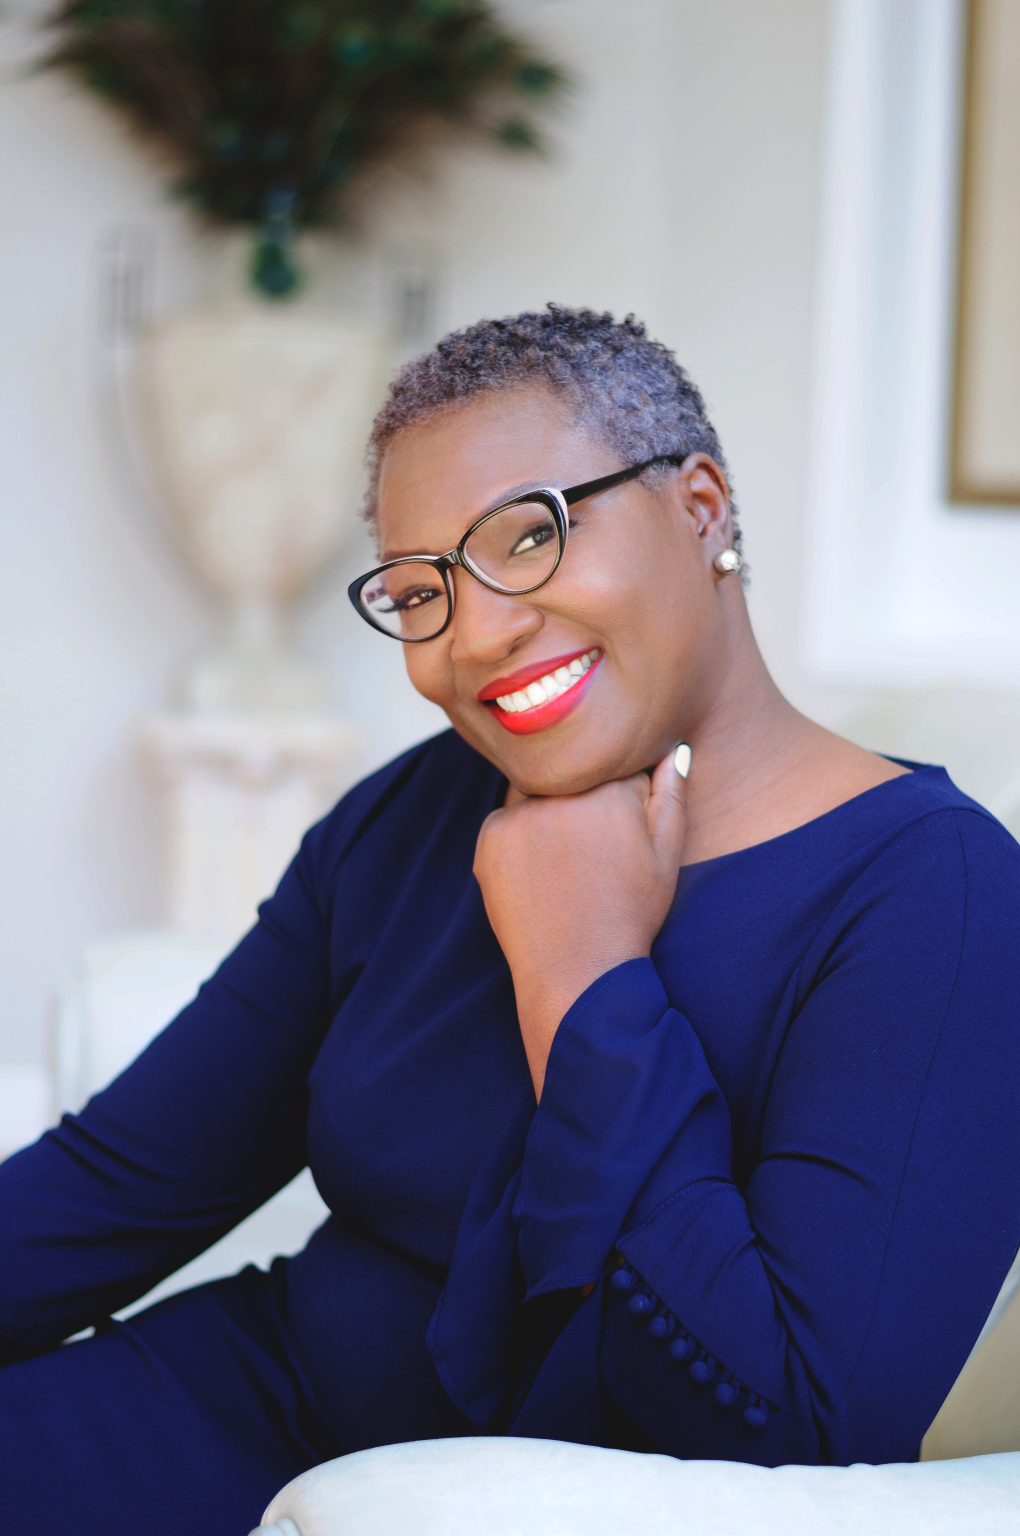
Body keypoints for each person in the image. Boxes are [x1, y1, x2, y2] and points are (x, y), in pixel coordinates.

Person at [2, 303, 1018, 1533]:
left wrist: (582, 972)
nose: (476, 634)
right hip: (236, 1411)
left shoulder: (935, 896)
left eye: (530, 536)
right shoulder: (418, 812)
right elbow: (116, 1185)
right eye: (418, 591)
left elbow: (795, 1426)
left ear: (701, 510)